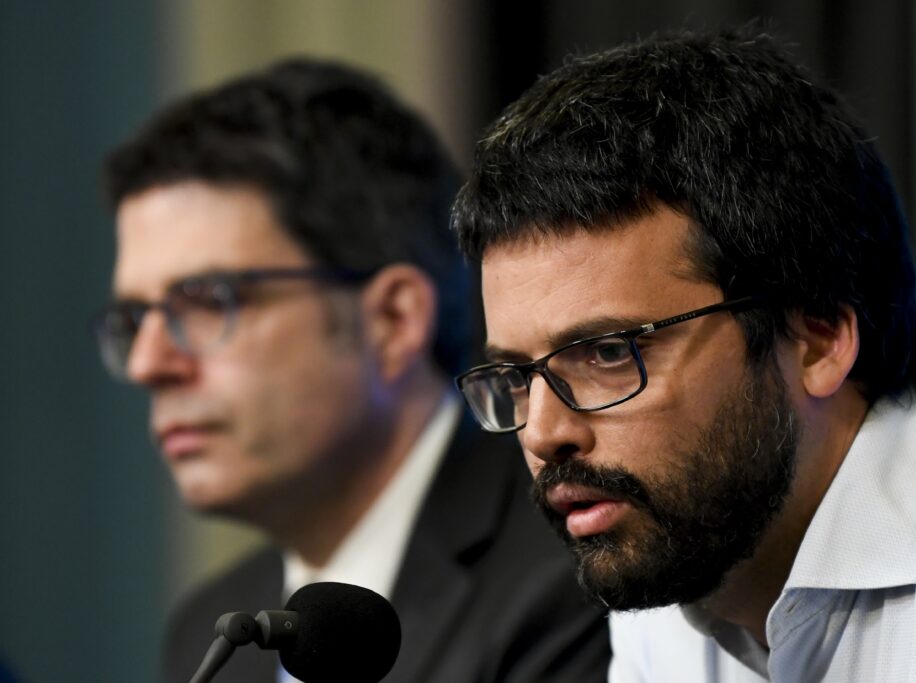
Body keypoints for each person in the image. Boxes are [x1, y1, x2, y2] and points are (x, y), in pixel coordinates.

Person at [451, 29, 916, 681]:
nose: (542, 433)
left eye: (608, 352)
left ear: (817, 339)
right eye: (518, 377)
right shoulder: (667, 587)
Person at [93, 58, 609, 683]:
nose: (148, 363)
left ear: (393, 319)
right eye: (136, 318)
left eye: (207, 301)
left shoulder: (578, 572)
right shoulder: (212, 633)